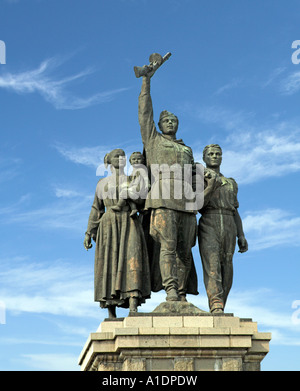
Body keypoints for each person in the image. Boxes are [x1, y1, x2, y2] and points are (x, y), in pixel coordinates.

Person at [137, 68, 199, 302]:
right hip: (162, 199)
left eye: (174, 120)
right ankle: (171, 289)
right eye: (166, 120)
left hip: (186, 202)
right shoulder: (153, 139)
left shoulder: (186, 149)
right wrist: (146, 82)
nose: (170, 123)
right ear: (160, 125)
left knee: (185, 251)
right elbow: (145, 113)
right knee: (168, 246)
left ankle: (182, 292)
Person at [83, 148, 151, 318]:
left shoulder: (132, 178)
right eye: (116, 156)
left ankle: (133, 305)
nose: (120, 158)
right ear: (109, 161)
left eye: (122, 156)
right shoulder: (101, 184)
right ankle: (110, 310)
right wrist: (89, 232)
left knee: (133, 258)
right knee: (109, 262)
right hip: (109, 224)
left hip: (130, 221)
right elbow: (96, 208)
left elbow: (143, 199)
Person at [198, 144, 248, 314]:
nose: (214, 156)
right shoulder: (199, 178)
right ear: (204, 158)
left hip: (229, 223)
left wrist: (241, 234)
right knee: (212, 264)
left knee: (227, 266)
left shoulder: (231, 183)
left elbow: (235, 210)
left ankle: (221, 304)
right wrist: (210, 185)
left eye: (218, 154)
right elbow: (197, 204)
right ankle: (216, 303)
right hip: (209, 220)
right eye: (211, 154)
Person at [111, 151, 149, 217]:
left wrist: (147, 184)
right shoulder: (132, 172)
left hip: (140, 192)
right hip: (134, 191)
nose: (136, 161)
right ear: (130, 161)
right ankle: (134, 209)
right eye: (134, 159)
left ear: (143, 161)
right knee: (126, 194)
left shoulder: (141, 170)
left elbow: (146, 178)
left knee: (125, 193)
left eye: (138, 159)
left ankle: (119, 206)